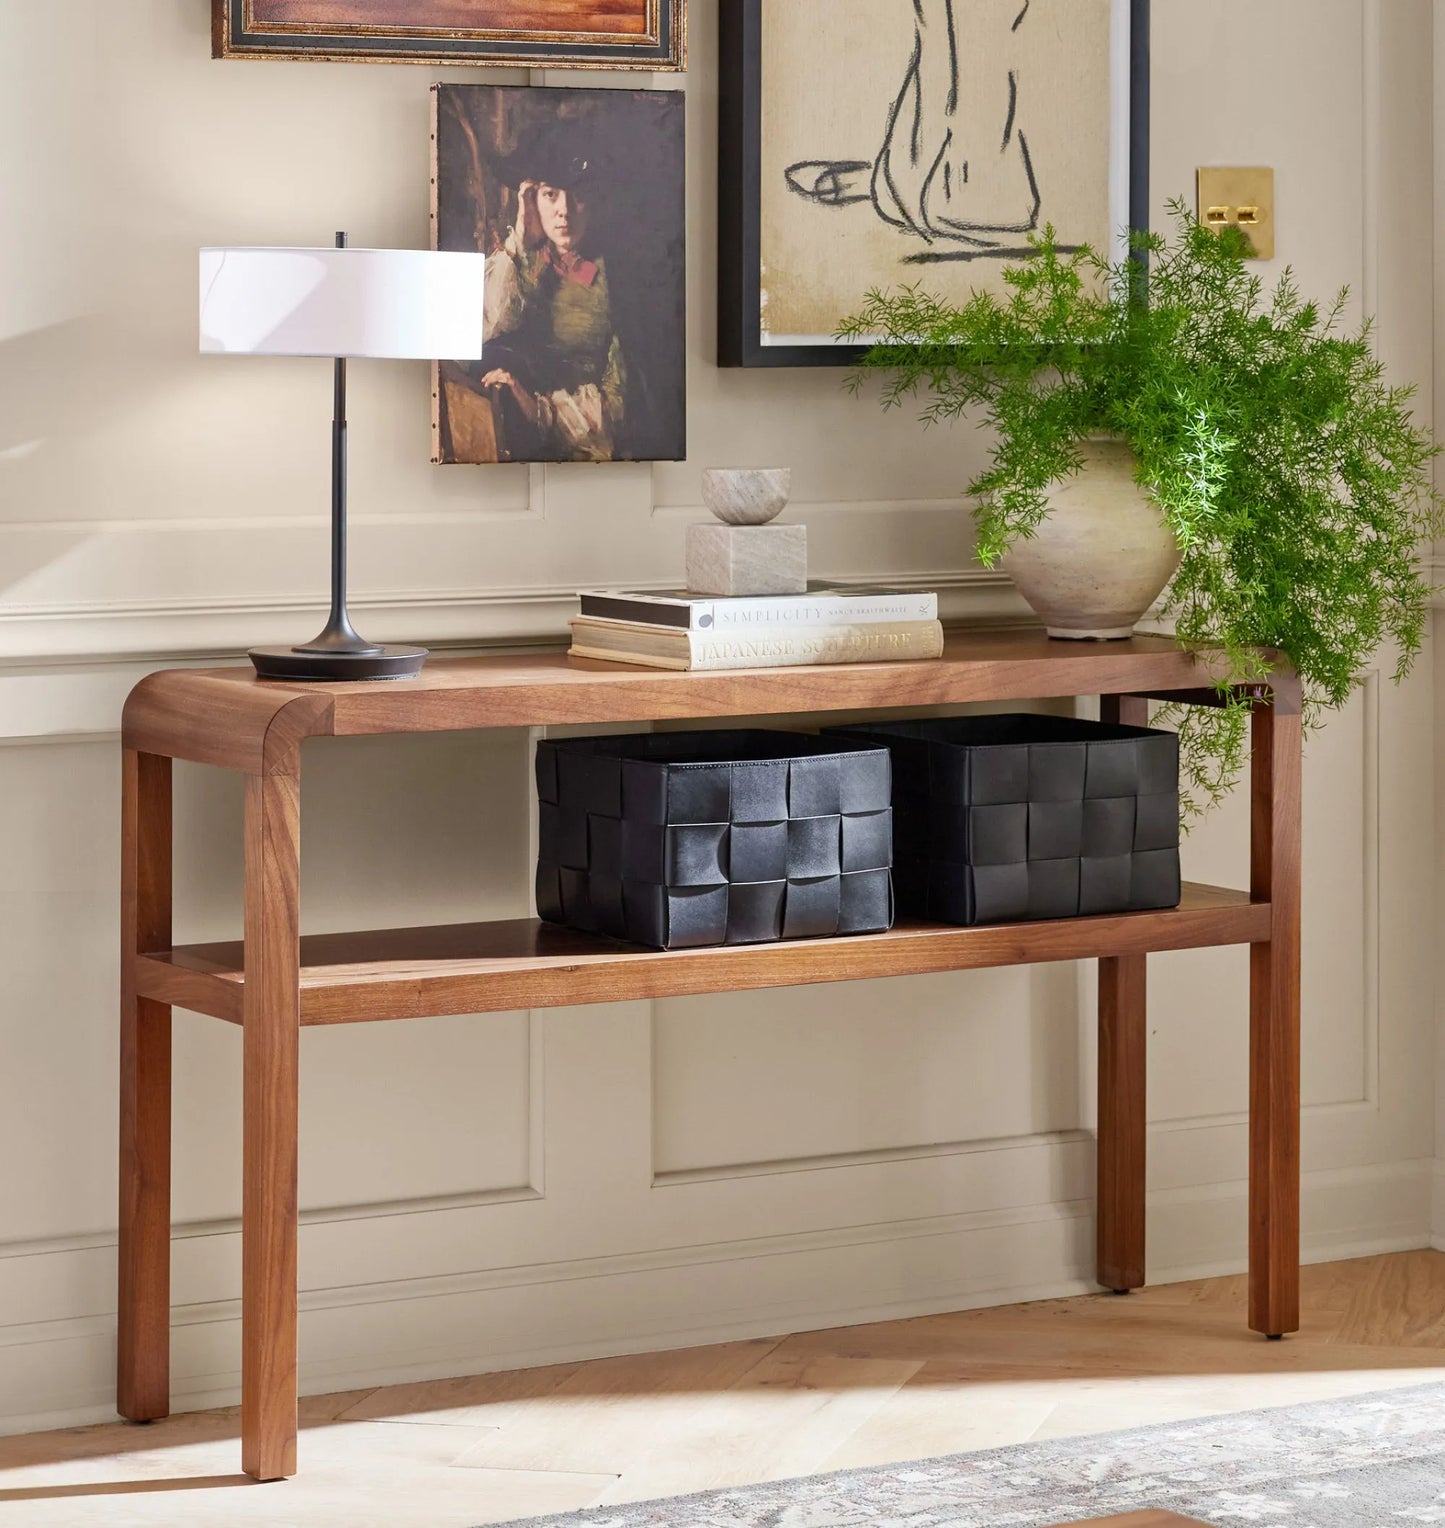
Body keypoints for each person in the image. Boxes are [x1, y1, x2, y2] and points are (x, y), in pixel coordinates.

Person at [479, 132, 627, 461]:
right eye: (550, 195)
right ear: (531, 199)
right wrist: (518, 237)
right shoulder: (518, 262)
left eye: (578, 195)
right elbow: (483, 328)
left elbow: (619, 402)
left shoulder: (615, 277)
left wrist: (538, 408)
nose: (564, 210)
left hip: (584, 444)